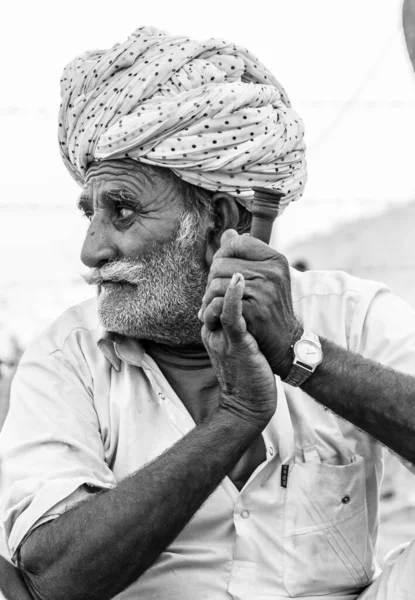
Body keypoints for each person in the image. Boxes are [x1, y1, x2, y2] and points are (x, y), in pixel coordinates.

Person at [1, 25, 415, 600]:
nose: (91, 251)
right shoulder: (67, 357)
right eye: (89, 214)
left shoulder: (353, 315)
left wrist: (301, 356)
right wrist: (236, 419)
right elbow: (50, 580)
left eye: (122, 211)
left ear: (220, 223)